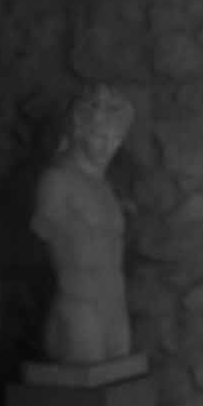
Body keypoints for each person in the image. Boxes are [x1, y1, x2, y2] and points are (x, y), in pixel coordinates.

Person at [31, 83, 136, 364]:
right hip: (79, 306)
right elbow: (44, 227)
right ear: (79, 132)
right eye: (100, 136)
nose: (108, 147)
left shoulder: (106, 188)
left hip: (114, 306)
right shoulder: (57, 182)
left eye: (115, 138)